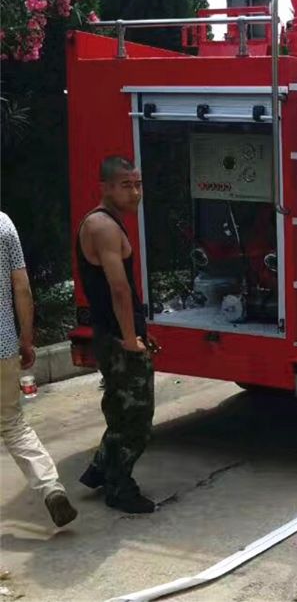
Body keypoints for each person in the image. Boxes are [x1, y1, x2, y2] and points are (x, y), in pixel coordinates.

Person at [77, 156, 156, 514]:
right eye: (126, 185)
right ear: (106, 187)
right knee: (135, 418)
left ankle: (100, 468)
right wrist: (129, 339)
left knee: (119, 407)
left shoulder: (107, 222)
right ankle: (119, 487)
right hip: (116, 338)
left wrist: (140, 332)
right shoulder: (103, 226)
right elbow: (119, 289)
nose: (135, 192)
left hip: (115, 334)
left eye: (137, 184)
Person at [0, 211, 78, 527]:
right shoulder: (4, 224)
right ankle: (51, 488)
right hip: (3, 346)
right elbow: (22, 288)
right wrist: (26, 339)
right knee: (13, 425)